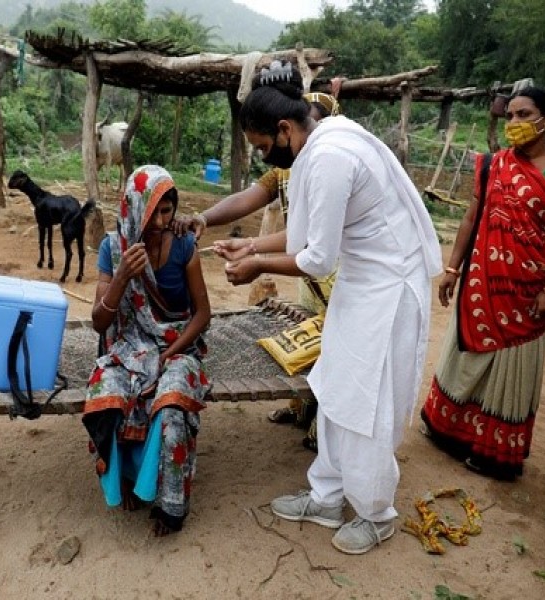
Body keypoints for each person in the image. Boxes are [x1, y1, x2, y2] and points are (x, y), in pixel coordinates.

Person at [216, 60, 442, 555]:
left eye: (261, 147)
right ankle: (327, 496)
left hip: (387, 289)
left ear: (283, 129)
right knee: (337, 385)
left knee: (367, 399)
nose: (262, 158)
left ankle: (376, 512)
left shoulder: (332, 155)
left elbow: (317, 259)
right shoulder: (318, 144)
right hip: (362, 283)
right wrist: (252, 249)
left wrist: (257, 267)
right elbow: (305, 236)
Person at [420, 86, 545, 481]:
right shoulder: (493, 164)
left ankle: (495, 451)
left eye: (524, 114)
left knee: (513, 363)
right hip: (482, 280)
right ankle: (449, 431)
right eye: (510, 115)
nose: (515, 123)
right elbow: (470, 218)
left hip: (531, 286)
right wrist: (452, 269)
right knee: (467, 355)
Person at [171, 92, 341, 451]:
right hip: (309, 273)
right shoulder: (286, 167)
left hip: (335, 273)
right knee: (311, 340)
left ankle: (325, 427)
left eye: (264, 146)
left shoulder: (329, 166)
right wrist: (205, 218)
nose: (266, 154)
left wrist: (256, 255)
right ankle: (304, 407)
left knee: (336, 347)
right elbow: (248, 198)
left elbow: (315, 241)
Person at [82, 165, 212, 536]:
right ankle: (126, 479)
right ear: (134, 208)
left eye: (167, 211)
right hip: (129, 345)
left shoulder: (184, 246)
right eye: (152, 211)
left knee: (171, 405)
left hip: (177, 344)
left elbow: (202, 315)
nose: (159, 221)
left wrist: (174, 352)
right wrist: (122, 275)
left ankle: (172, 507)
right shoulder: (113, 248)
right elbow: (98, 323)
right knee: (106, 395)